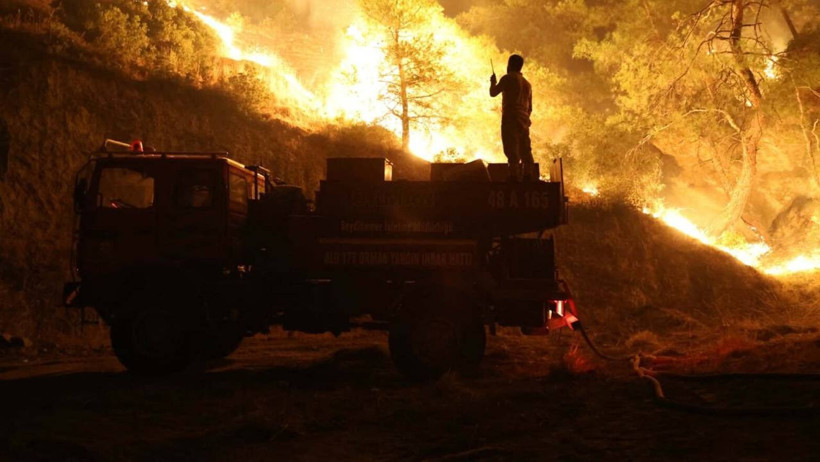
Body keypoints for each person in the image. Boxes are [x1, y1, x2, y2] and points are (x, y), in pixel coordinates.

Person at [489, 54, 534, 181]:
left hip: (510, 118)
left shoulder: (507, 78)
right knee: (525, 148)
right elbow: (530, 107)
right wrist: (525, 119)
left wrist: (493, 82)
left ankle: (514, 176)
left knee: (511, 147)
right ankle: (528, 175)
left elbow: (493, 93)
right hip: (524, 119)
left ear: (510, 65)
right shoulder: (527, 84)